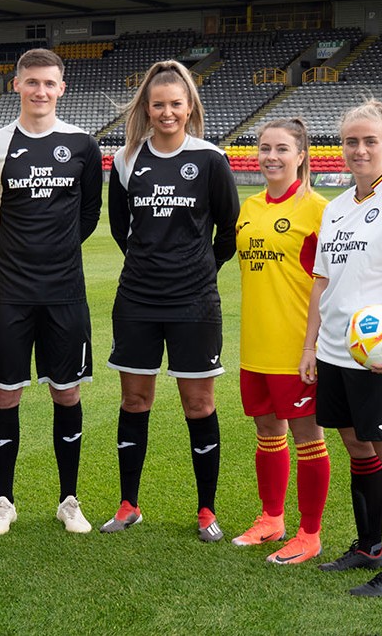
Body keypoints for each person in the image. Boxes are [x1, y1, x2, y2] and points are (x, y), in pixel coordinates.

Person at [101, 60, 240, 542]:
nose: (166, 112)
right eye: (157, 104)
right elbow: (122, 228)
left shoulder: (209, 159)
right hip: (138, 298)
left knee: (199, 404)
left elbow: (229, 229)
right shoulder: (126, 160)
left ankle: (206, 511)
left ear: (189, 107)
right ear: (146, 107)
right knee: (134, 399)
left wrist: (199, 269)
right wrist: (150, 265)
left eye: (175, 104)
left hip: (194, 302)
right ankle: (128, 504)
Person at [299, 99, 382, 596]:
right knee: (356, 443)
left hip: (379, 356)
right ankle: (368, 546)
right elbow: (321, 284)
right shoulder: (335, 207)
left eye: (369, 140)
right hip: (334, 352)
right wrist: (310, 346)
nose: (359, 149)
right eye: (351, 141)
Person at [0, 48, 103, 535]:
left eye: (49, 83)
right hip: (9, 290)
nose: (40, 91)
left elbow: (88, 215)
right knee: (5, 395)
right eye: (32, 82)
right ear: (16, 85)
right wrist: (23, 254)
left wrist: (55, 252)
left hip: (64, 291)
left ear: (61, 88)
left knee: (66, 392)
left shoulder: (83, 145)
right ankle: (4, 500)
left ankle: (69, 500)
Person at [233, 118, 331, 564]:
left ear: (301, 155)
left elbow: (328, 283)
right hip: (255, 343)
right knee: (267, 432)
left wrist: (313, 345)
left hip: (297, 346)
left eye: (282, 149)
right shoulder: (249, 206)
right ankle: (272, 518)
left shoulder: (319, 210)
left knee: (307, 436)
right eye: (265, 148)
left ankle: (310, 533)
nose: (271, 156)